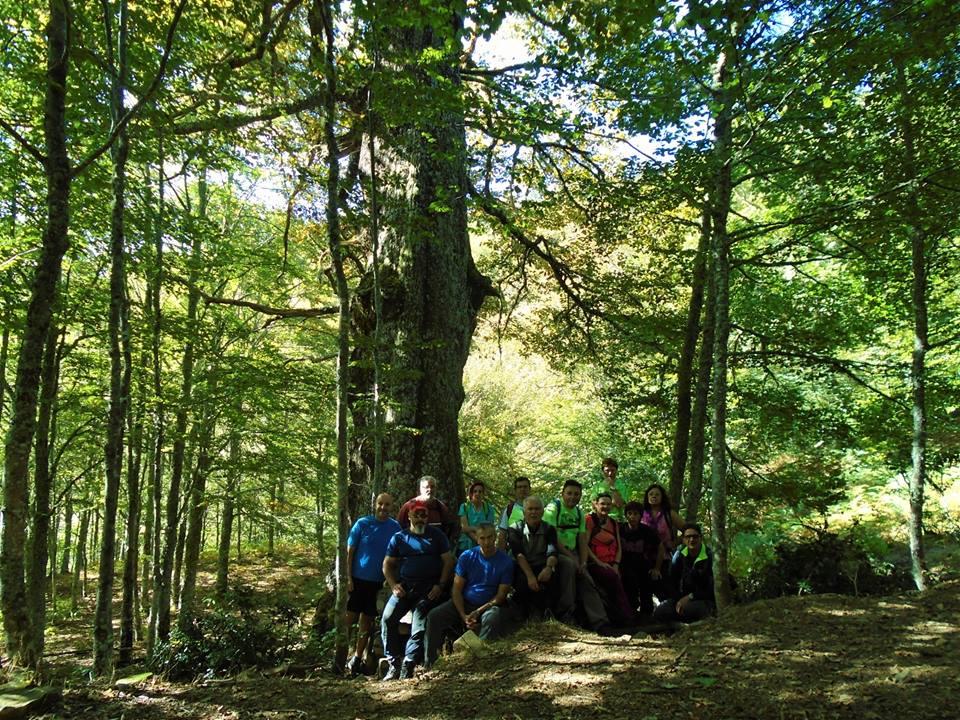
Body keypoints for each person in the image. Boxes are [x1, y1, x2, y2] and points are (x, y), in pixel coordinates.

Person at [381, 500, 455, 680]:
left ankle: (408, 664)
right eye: (417, 515)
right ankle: (393, 663)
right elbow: (387, 564)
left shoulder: (437, 535)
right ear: (409, 516)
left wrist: (440, 585)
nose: (421, 519)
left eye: (424, 516)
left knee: (419, 623)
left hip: (429, 589)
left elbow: (448, 561)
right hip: (405, 587)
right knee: (388, 618)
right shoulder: (399, 538)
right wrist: (393, 585)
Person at [424, 523, 515, 666]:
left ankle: (478, 658)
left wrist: (478, 611)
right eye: (482, 538)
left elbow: (501, 596)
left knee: (492, 617)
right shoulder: (467, 556)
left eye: (490, 537)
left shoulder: (506, 561)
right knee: (434, 616)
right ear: (477, 539)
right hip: (465, 602)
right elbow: (456, 590)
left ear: (495, 537)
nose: (486, 542)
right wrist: (463, 615)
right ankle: (430, 663)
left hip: (488, 606)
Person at [543, 480, 614, 635]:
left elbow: (582, 540)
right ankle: (566, 616)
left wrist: (583, 562)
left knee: (586, 579)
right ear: (562, 493)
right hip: (555, 552)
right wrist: (574, 560)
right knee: (569, 567)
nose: (572, 497)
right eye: (569, 493)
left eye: (576, 494)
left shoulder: (579, 513)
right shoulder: (553, 508)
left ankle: (600, 622)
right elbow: (553, 538)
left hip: (574, 553)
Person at [344, 492, 402, 676]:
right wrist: (348, 578)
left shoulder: (395, 527)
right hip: (357, 580)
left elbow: (397, 555)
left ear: (391, 506)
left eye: (387, 504)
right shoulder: (362, 524)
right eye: (380, 504)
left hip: (378, 583)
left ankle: (357, 658)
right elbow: (350, 553)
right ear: (375, 504)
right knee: (349, 619)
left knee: (366, 622)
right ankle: (339, 656)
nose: (383, 508)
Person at [505, 496, 572, 619]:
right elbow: (518, 554)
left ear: (542, 511)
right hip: (522, 566)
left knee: (553, 579)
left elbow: (552, 551)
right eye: (530, 509)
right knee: (522, 582)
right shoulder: (515, 529)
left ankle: (557, 612)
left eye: (537, 509)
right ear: (524, 511)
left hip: (542, 564)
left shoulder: (549, 528)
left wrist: (548, 568)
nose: (533, 512)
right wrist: (530, 576)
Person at [585, 493, 636, 627]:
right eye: (602, 504)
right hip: (595, 563)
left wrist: (616, 565)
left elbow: (618, 546)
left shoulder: (613, 523)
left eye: (608, 504)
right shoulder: (589, 520)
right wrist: (599, 562)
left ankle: (631, 613)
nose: (605, 507)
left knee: (628, 576)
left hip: (612, 563)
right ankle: (628, 618)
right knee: (613, 578)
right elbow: (584, 545)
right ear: (596, 504)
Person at [653, 523, 716, 624]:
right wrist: (679, 599)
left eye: (695, 536)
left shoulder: (709, 556)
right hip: (682, 598)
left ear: (700, 538)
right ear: (683, 539)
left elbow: (712, 588)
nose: (691, 540)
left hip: (704, 599)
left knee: (688, 610)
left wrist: (691, 597)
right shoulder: (679, 555)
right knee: (660, 612)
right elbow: (672, 582)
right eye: (688, 537)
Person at [619, 500, 666, 618]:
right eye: (629, 513)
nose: (632, 517)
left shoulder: (646, 530)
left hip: (643, 566)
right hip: (625, 566)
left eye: (636, 514)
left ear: (640, 516)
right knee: (629, 586)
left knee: (647, 589)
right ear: (626, 515)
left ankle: (647, 615)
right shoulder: (620, 529)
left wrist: (657, 568)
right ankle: (631, 614)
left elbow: (660, 546)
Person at [397, 475, 458, 542]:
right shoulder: (409, 506)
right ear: (420, 489)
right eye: (426, 487)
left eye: (432, 487)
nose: (430, 490)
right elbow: (399, 526)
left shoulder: (441, 507)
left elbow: (448, 528)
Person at [641, 483, 683, 557]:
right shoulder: (641, 513)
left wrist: (674, 543)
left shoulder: (669, 514)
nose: (654, 496)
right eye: (651, 494)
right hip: (643, 556)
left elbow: (688, 530)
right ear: (647, 497)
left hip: (664, 557)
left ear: (662, 497)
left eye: (657, 494)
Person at [457, 481, 497, 554]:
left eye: (480, 491)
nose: (477, 494)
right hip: (465, 546)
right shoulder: (464, 507)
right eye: (475, 491)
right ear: (471, 493)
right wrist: (476, 532)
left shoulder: (488, 508)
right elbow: (464, 528)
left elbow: (489, 528)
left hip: (484, 546)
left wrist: (481, 542)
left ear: (483, 494)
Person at [497, 476, 531, 549]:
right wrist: (501, 554)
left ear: (529, 489)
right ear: (515, 490)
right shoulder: (509, 509)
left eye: (525, 487)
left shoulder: (538, 508)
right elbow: (502, 535)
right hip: (513, 552)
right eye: (519, 487)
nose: (522, 489)